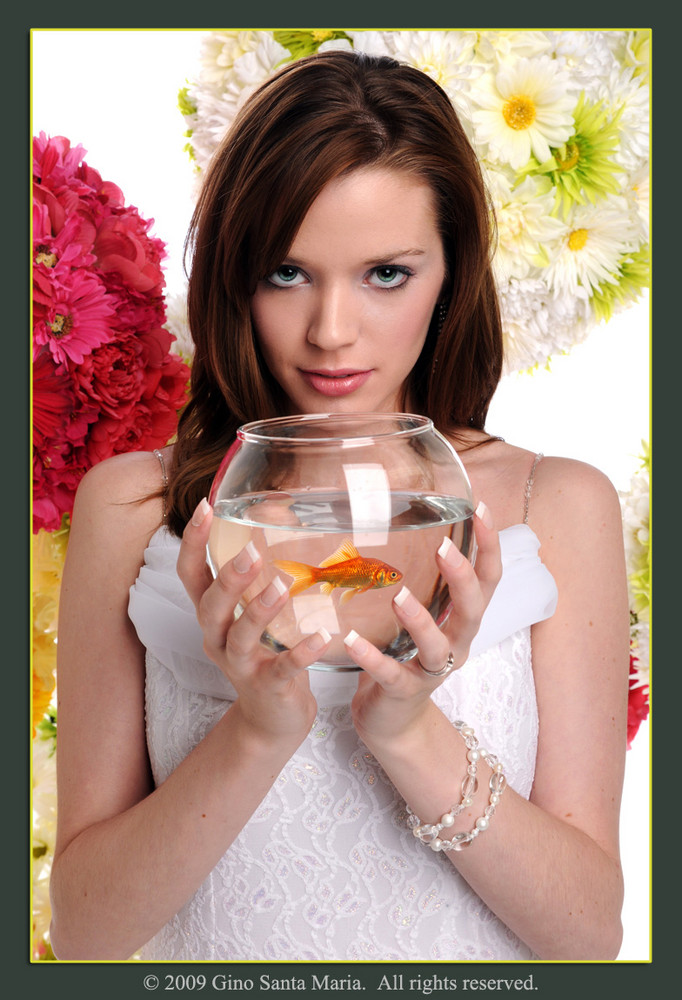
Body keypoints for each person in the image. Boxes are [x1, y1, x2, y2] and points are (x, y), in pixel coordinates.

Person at [48, 50, 630, 962]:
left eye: (386, 274)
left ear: (452, 276)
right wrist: (257, 729)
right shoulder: (135, 508)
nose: (330, 330)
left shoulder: (554, 503)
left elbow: (590, 937)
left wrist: (407, 732)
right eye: (286, 271)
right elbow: (81, 936)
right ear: (234, 276)